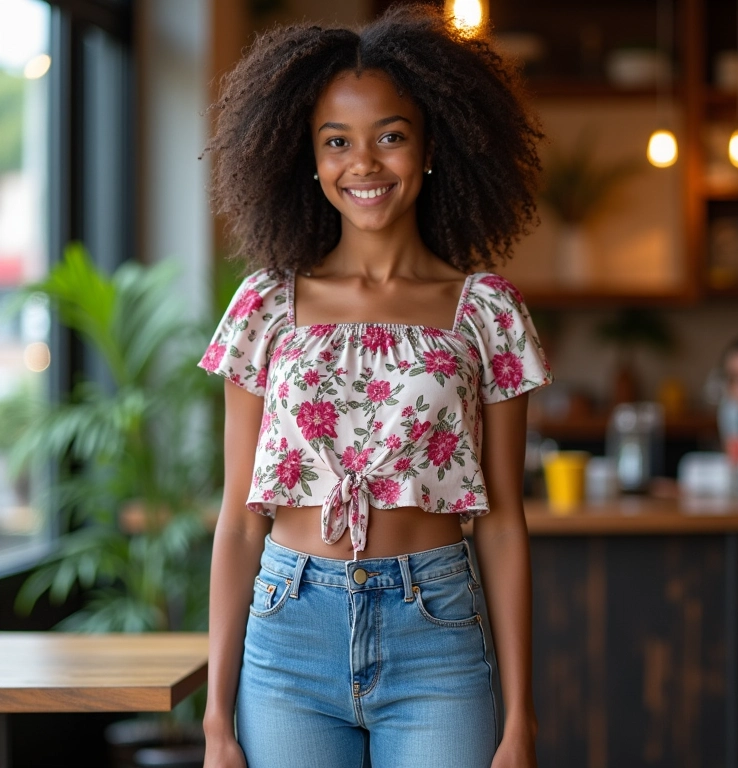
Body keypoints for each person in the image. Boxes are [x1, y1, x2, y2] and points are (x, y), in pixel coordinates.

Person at [198, 6, 552, 767]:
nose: (364, 163)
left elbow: (502, 523)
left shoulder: (485, 310)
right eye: (337, 142)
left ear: (430, 149)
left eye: (390, 136)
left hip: (437, 631)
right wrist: (216, 723)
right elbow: (237, 521)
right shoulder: (266, 305)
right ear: (311, 160)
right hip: (288, 633)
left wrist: (520, 720)